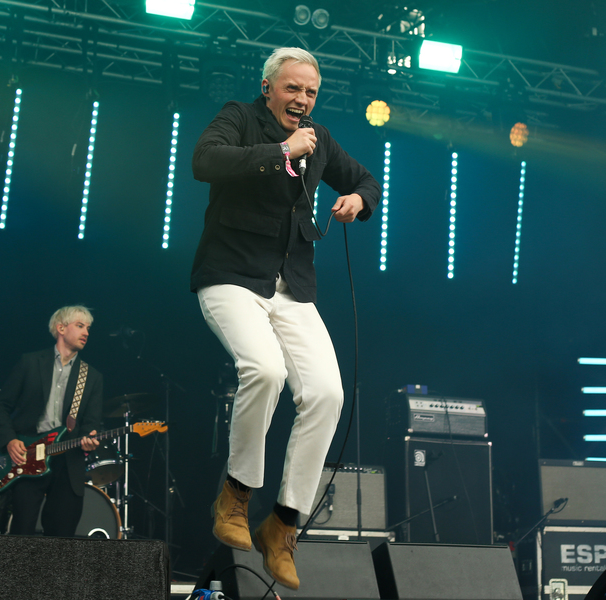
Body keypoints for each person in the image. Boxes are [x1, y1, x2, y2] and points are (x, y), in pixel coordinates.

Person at [191, 47, 382, 589]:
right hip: (230, 275)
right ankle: (235, 495)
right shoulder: (239, 117)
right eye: (293, 89)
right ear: (269, 86)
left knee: (327, 393)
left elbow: (367, 181)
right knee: (265, 371)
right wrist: (280, 150)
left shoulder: (319, 139)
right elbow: (204, 162)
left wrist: (355, 200)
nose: (302, 101)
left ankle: (284, 523)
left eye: (310, 93)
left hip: (291, 288)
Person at [0, 305, 103, 536]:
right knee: (22, 532)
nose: (87, 333)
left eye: (88, 328)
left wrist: (91, 437)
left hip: (67, 459)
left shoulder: (91, 376)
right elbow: (1, 406)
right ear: (61, 328)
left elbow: (92, 422)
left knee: (61, 537)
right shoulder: (30, 362)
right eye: (80, 326)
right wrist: (10, 440)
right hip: (28, 456)